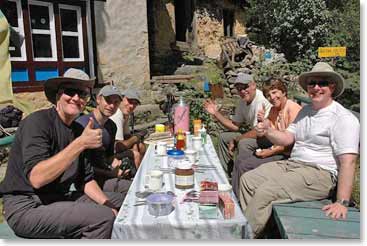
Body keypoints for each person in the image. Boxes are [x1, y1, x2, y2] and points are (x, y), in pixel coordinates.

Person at [238, 62, 360, 238]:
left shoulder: (343, 118)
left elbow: (348, 162)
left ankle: (243, 238)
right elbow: (287, 138)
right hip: (293, 165)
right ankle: (262, 233)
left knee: (267, 191)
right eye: (312, 83)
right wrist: (268, 130)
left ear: (332, 87)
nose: (316, 87)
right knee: (248, 180)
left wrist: (342, 202)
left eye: (322, 83)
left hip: (320, 173)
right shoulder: (306, 111)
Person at [0, 68, 125, 239]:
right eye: (70, 91)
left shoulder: (79, 129)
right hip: (26, 205)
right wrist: (80, 144)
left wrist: (107, 203)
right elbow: (37, 178)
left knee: (125, 202)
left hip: (58, 198)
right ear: (58, 95)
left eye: (82, 94)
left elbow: (86, 180)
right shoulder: (37, 122)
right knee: (103, 218)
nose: (76, 98)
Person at [232, 78, 301, 197]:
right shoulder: (274, 110)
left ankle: (241, 199)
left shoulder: (292, 108)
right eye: (268, 95)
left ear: (283, 92)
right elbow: (265, 132)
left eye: (275, 92)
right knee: (239, 159)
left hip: (287, 154)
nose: (272, 97)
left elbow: (291, 142)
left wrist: (268, 152)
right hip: (275, 147)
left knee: (245, 165)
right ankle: (234, 195)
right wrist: (262, 121)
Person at [203, 73, 272, 176]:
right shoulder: (243, 101)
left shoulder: (260, 101)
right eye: (239, 89)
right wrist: (216, 113)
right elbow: (235, 125)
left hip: (267, 137)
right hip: (257, 133)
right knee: (224, 137)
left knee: (243, 142)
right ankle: (225, 174)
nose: (242, 91)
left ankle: (243, 175)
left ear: (253, 85)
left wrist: (237, 139)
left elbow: (258, 131)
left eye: (245, 87)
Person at [76, 85, 132, 194]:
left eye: (116, 102)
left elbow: (108, 156)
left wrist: (116, 162)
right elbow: (80, 167)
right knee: (132, 189)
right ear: (98, 99)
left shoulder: (111, 126)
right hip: (88, 182)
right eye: (108, 100)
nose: (111, 105)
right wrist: (111, 174)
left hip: (104, 174)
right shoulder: (83, 124)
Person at [109, 88, 146, 168]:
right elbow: (118, 146)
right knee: (135, 153)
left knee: (140, 146)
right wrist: (136, 138)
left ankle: (141, 170)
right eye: (129, 101)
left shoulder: (125, 114)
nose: (132, 106)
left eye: (135, 103)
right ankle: (137, 177)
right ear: (121, 99)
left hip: (115, 149)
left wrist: (135, 142)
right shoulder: (117, 115)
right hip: (109, 153)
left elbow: (126, 136)